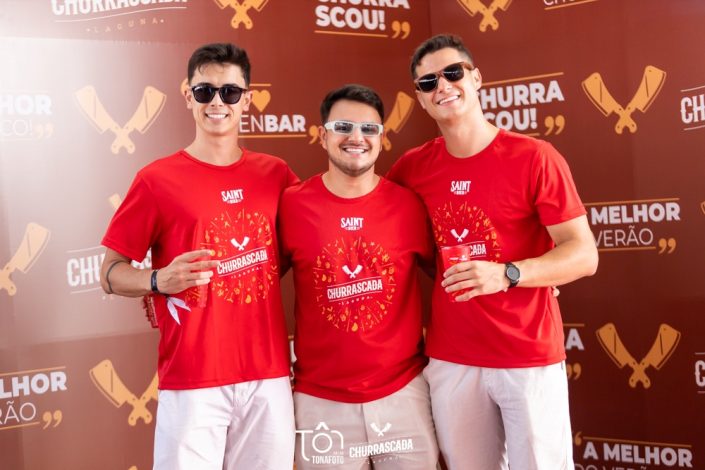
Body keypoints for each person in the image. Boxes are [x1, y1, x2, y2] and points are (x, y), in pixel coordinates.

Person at [386, 34, 599, 470]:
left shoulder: (535, 157)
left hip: (527, 356)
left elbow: (583, 254)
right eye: (428, 82)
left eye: (453, 73)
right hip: (452, 358)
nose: (443, 86)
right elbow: (382, 229)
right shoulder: (411, 168)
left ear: (477, 78)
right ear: (420, 98)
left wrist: (510, 274)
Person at [99, 43, 297, 470]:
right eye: (205, 91)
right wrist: (157, 280)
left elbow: (307, 247)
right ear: (188, 95)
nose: (217, 102)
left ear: (247, 99)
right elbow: (110, 272)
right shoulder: (156, 179)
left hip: (268, 375)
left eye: (230, 92)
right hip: (193, 379)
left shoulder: (277, 174)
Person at [279, 84, 439, 469]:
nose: (356, 137)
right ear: (323, 136)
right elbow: (255, 279)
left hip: (404, 394)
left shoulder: (408, 205)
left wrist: (521, 281)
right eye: (343, 127)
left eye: (369, 129)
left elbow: (453, 275)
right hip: (320, 402)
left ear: (382, 139)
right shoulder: (291, 205)